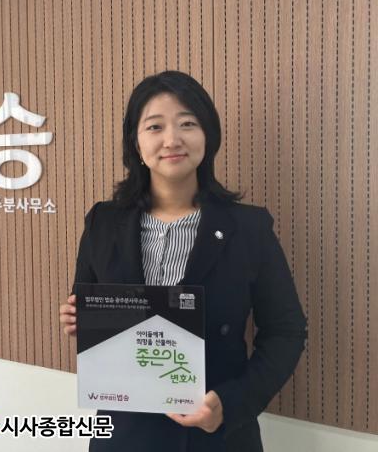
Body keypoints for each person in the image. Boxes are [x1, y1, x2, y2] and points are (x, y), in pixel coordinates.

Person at [59, 71, 307, 452]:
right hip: (125, 435)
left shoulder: (248, 228)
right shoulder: (103, 223)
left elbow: (286, 331)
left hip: (217, 438)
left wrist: (230, 404)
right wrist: (79, 319)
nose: (172, 139)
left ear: (207, 134)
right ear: (136, 142)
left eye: (187, 124)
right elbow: (90, 308)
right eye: (155, 126)